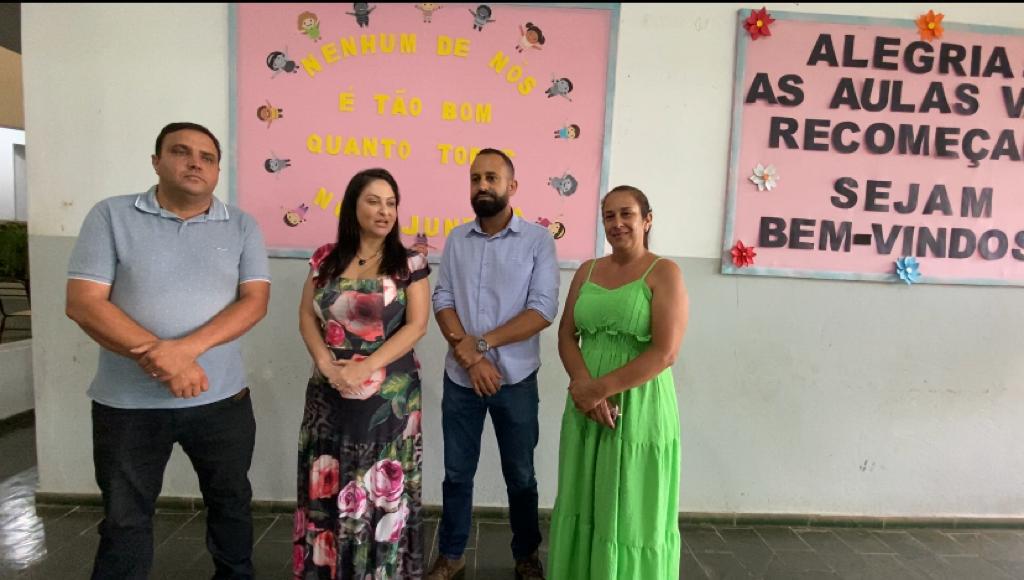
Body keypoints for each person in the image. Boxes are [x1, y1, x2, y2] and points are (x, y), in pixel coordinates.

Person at [65, 122, 271, 580]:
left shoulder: (240, 225)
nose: (195, 162)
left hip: (222, 401)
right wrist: (163, 359)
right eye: (181, 151)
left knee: (231, 505)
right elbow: (83, 303)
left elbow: (255, 301)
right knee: (124, 517)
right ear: (156, 161)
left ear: (218, 171)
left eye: (207, 156)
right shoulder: (111, 215)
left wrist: (185, 352)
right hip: (127, 407)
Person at [428, 149, 559, 580]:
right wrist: (469, 357)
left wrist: (480, 345)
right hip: (460, 378)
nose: (482, 185)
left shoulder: (538, 241)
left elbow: (542, 310)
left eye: (492, 178)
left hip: (516, 380)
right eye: (475, 178)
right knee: (456, 472)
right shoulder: (455, 239)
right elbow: (442, 299)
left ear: (512, 187)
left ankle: (526, 555)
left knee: (521, 475)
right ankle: (451, 554)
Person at [294, 168, 431, 579]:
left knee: (378, 494)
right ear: (353, 205)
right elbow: (306, 314)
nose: (384, 210)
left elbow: (417, 325)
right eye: (374, 201)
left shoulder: (410, 262)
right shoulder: (324, 258)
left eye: (391, 203)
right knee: (329, 486)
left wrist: (366, 367)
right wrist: (324, 363)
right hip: (328, 393)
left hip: (387, 399)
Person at [547, 185, 689, 579]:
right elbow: (566, 335)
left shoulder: (665, 272)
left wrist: (600, 390)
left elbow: (665, 352)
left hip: (637, 405)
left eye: (626, 214)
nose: (617, 223)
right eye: (609, 215)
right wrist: (583, 386)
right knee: (583, 495)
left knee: (629, 503)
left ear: (647, 219)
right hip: (585, 404)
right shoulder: (587, 271)